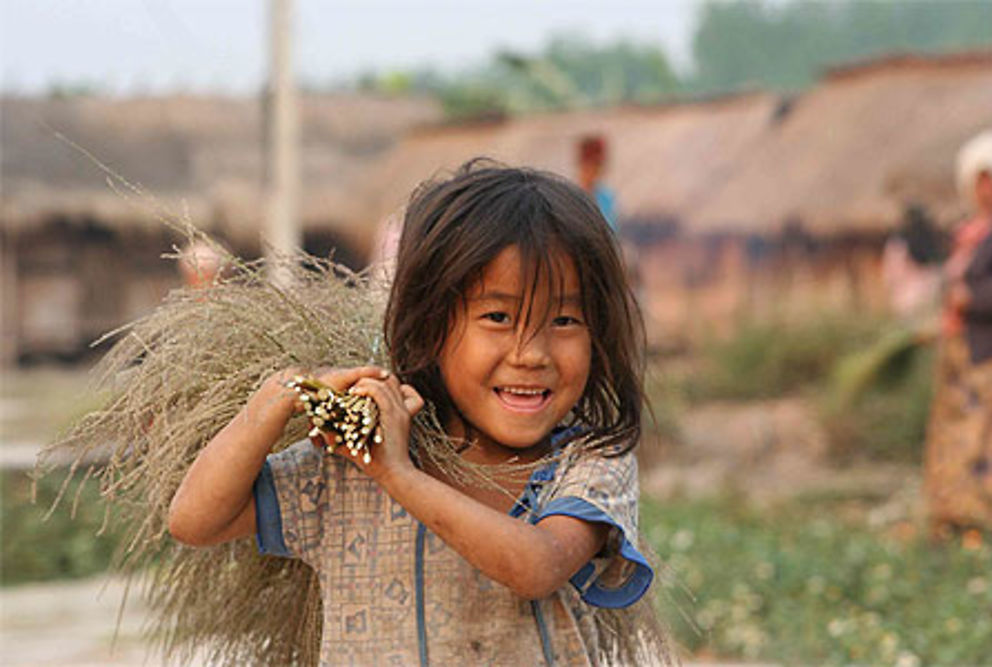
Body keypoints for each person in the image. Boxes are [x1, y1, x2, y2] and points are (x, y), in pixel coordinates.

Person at [168, 160, 669, 665]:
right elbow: (194, 521)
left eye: (564, 320)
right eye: (498, 317)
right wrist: (275, 398)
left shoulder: (588, 464)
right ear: (430, 328)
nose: (532, 353)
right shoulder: (351, 467)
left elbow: (537, 567)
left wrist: (397, 475)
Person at [924, 130, 992, 537]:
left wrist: (974, 297)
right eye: (980, 181)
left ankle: (986, 519)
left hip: (991, 350)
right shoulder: (968, 232)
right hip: (959, 347)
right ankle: (954, 514)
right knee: (952, 432)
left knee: (987, 436)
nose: (986, 190)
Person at [577, 134, 618, 232]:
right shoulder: (568, 197)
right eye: (593, 164)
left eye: (599, 165)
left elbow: (610, 233)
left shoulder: (606, 197)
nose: (596, 170)